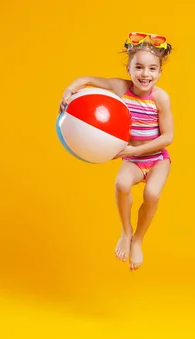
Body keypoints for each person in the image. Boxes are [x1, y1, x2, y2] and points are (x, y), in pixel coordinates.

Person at [60, 32, 174, 271]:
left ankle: (138, 239)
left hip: (156, 158)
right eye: (139, 67)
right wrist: (70, 90)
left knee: (152, 194)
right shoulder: (121, 88)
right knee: (121, 184)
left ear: (160, 73)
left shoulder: (161, 98)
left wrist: (135, 149)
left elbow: (168, 137)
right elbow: (88, 79)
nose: (146, 74)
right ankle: (126, 231)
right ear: (129, 68)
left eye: (152, 69)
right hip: (132, 157)